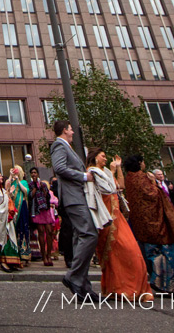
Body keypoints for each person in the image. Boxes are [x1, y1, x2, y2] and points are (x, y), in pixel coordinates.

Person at [86, 149, 152, 301]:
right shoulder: (92, 171)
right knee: (117, 253)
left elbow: (120, 186)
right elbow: (108, 189)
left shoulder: (106, 171)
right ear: (95, 158)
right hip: (106, 217)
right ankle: (119, 289)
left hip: (118, 216)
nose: (105, 158)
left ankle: (134, 289)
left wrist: (117, 169)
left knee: (132, 250)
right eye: (102, 156)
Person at [123, 155, 174, 295]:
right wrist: (154, 182)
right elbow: (153, 195)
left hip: (141, 224)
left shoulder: (128, 178)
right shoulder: (142, 178)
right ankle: (172, 285)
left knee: (150, 253)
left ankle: (160, 282)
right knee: (166, 253)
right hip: (156, 222)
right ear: (139, 163)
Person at [50, 119, 98, 301]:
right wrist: (84, 176)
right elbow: (60, 168)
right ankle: (73, 277)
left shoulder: (67, 147)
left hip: (77, 196)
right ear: (64, 130)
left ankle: (84, 289)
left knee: (81, 238)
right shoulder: (59, 146)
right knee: (89, 234)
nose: (72, 132)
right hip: (73, 197)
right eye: (70, 129)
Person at [27, 167, 56, 266]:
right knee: (41, 232)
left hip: (45, 209)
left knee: (49, 231)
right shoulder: (30, 185)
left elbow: (47, 195)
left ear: (38, 174)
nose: (34, 174)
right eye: (32, 173)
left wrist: (42, 187)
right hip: (37, 210)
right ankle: (43, 256)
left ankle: (49, 255)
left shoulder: (43, 184)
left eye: (35, 172)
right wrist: (35, 187)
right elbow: (30, 196)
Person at [5, 165, 31, 265]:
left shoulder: (23, 182)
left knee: (23, 228)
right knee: (13, 229)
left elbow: (26, 191)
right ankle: (14, 253)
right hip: (13, 208)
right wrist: (11, 177)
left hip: (22, 206)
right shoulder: (10, 181)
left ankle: (24, 253)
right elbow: (6, 188)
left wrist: (18, 181)